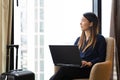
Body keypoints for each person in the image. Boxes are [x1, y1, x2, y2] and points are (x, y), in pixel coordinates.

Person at [49, 12, 106, 80]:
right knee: (64, 74)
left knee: (64, 71)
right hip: (78, 67)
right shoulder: (79, 40)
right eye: (81, 20)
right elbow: (73, 56)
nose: (80, 23)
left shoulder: (100, 39)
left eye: (83, 20)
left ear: (91, 23)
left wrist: (89, 63)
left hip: (90, 69)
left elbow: (101, 57)